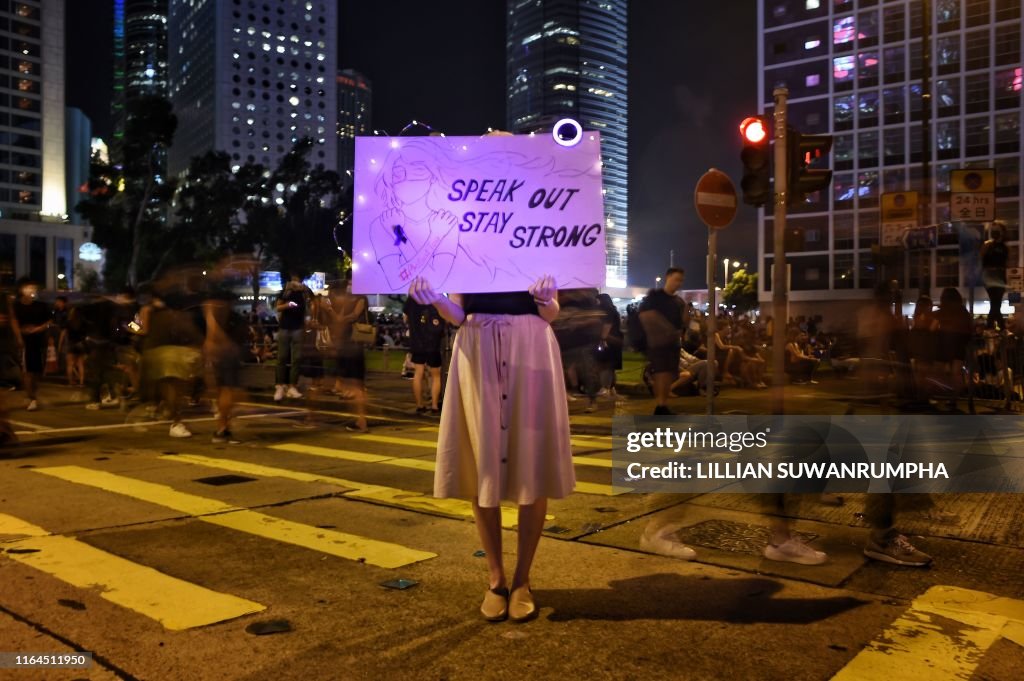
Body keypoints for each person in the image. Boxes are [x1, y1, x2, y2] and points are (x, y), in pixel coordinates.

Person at [409, 274, 574, 623]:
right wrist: (435, 298)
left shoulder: (537, 234)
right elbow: (457, 313)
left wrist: (545, 300)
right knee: (482, 460)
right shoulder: (469, 238)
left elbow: (551, 313)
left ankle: (522, 580)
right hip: (477, 345)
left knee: (531, 460)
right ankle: (496, 578)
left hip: (531, 346)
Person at [639, 268, 686, 415]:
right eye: (676, 279)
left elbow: (682, 321)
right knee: (662, 373)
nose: (678, 283)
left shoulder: (679, 302)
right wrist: (666, 329)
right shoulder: (655, 297)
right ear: (668, 277)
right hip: (658, 344)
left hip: (673, 343)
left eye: (681, 280)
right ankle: (660, 404)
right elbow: (645, 316)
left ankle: (663, 404)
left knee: (670, 373)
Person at [203, 282, 246, 444]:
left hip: (221, 354)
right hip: (227, 354)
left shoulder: (213, 313)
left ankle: (223, 427)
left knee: (223, 390)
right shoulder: (222, 314)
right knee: (227, 390)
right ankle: (223, 428)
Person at [329, 281, 370, 432]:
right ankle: (360, 419)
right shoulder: (351, 299)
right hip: (349, 346)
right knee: (353, 385)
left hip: (352, 346)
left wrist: (337, 315)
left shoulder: (359, 298)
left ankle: (361, 421)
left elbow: (350, 317)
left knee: (355, 386)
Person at [11, 278, 51, 411]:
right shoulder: (16, 305)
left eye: (33, 288)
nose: (31, 290)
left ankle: (32, 394)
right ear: (22, 290)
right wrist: (19, 337)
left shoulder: (42, 305)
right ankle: (31, 397)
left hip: (40, 341)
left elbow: (49, 321)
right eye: (28, 288)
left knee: (37, 372)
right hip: (26, 342)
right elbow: (14, 321)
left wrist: (38, 328)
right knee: (27, 371)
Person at [402, 296, 446, 414]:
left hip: (417, 341)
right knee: (436, 375)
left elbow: (405, 318)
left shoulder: (412, 298)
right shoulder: (435, 295)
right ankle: (435, 406)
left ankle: (419, 405)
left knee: (418, 373)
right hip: (433, 342)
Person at [273, 273, 308, 402]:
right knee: (281, 357)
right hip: (285, 327)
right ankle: (280, 386)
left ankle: (292, 386)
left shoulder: (304, 293)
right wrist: (288, 305)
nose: (295, 283)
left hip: (298, 328)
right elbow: (278, 307)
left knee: (297, 359)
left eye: (297, 280)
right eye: (293, 280)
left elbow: (309, 306)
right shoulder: (285, 292)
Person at [980, 221, 1009, 330]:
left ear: (1002, 232)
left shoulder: (1005, 247)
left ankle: (993, 328)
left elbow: (1006, 264)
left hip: (1000, 277)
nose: (994, 233)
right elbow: (981, 259)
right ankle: (998, 328)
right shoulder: (987, 245)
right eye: (993, 231)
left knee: (996, 304)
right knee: (995, 303)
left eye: (997, 231)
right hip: (990, 276)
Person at [595, 293, 624, 400]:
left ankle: (604, 388)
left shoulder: (607, 310)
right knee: (611, 366)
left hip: (609, 341)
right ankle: (612, 390)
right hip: (616, 340)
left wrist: (602, 339)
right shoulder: (613, 310)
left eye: (597, 301)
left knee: (604, 365)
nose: (596, 303)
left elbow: (607, 325)